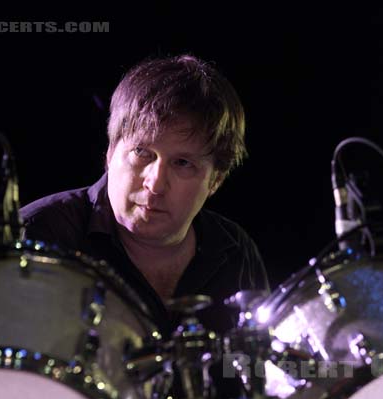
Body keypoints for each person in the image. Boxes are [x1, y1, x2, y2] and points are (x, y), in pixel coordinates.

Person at [15, 54, 269, 336]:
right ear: (111, 153)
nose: (156, 184)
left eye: (182, 163)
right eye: (142, 153)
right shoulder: (35, 234)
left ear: (216, 181)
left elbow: (261, 374)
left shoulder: (236, 252)